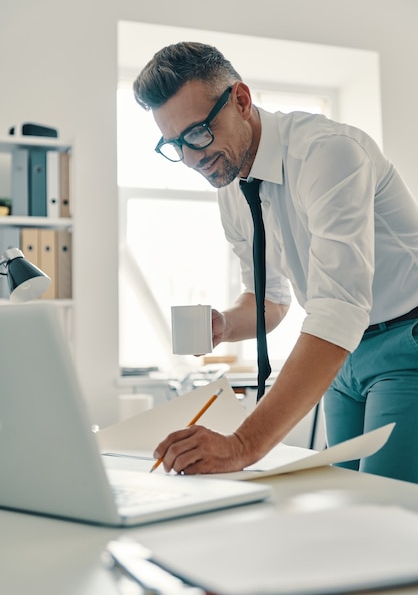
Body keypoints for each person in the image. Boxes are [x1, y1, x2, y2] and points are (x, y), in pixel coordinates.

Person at [133, 41, 418, 483]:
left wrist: (242, 445)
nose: (191, 158)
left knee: (389, 506)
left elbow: (339, 308)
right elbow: (272, 302)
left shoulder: (329, 154)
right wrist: (226, 326)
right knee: (345, 498)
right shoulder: (230, 182)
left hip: (405, 343)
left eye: (197, 133)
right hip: (344, 356)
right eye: (174, 144)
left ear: (241, 101)